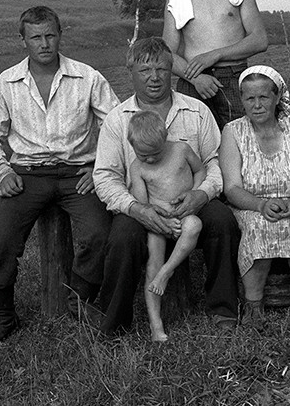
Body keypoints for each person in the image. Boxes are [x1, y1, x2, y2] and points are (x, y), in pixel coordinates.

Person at [0, 6, 120, 344]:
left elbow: (116, 124)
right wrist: (1, 170)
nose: (44, 44)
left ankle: (79, 299)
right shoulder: (7, 82)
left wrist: (98, 168)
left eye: (50, 35)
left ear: (60, 35)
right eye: (36, 37)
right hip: (27, 173)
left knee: (100, 233)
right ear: (22, 39)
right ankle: (1, 315)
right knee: (1, 239)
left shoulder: (87, 77)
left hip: (76, 173)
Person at [93, 37, 239, 336]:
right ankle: (114, 320)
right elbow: (106, 177)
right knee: (122, 236)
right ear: (131, 70)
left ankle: (223, 308)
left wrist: (201, 194)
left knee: (222, 221)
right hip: (142, 204)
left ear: (172, 70)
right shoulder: (117, 120)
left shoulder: (196, 111)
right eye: (145, 70)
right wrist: (137, 208)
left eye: (161, 68)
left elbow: (214, 163)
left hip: (192, 199)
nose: (154, 77)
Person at [220, 65, 290, 328]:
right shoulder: (233, 132)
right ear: (242, 100)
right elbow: (231, 188)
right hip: (251, 206)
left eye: (263, 97)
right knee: (258, 225)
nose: (257, 105)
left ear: (277, 97)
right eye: (249, 98)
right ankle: (253, 306)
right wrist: (260, 204)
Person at [162, 0, 268, 129]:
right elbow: (167, 53)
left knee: (241, 136)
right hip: (193, 80)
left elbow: (259, 39)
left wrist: (216, 54)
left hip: (234, 76)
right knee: (193, 140)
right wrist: (196, 79)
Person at [127, 110, 206, 342]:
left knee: (194, 225)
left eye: (155, 153)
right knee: (153, 261)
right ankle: (156, 326)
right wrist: (162, 219)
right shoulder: (137, 167)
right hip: (159, 222)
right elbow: (143, 203)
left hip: (184, 213)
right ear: (132, 146)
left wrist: (194, 192)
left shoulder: (181, 150)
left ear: (166, 138)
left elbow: (200, 170)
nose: (149, 160)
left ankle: (167, 271)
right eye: (143, 155)